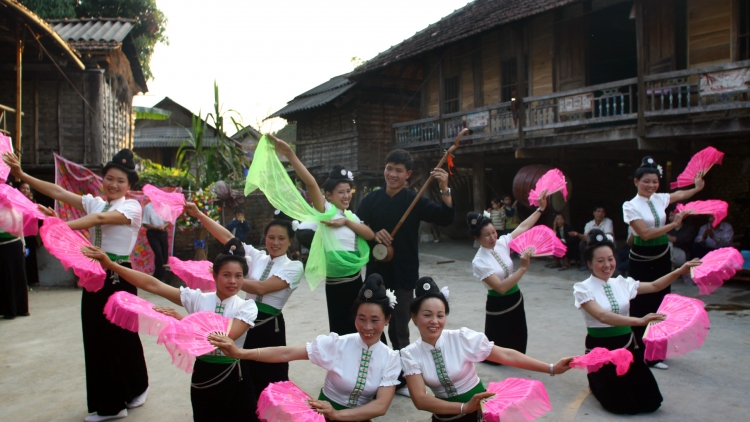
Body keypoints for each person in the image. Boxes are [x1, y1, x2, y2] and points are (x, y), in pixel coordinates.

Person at [3, 149, 149, 421]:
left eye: (120, 181)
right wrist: (22, 175)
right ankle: (123, 396)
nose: (113, 184)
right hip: (96, 275)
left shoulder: (131, 207)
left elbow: (100, 221)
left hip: (119, 275)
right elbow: (58, 192)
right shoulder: (97, 203)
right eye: (109, 178)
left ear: (129, 186)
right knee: (98, 338)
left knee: (121, 337)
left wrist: (59, 226)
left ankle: (123, 399)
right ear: (102, 179)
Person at [84, 240, 259, 422]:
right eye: (226, 275)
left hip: (234, 373)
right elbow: (154, 285)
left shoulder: (247, 307)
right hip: (204, 372)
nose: (233, 281)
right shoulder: (197, 298)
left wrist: (182, 320)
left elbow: (227, 337)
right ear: (214, 275)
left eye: (238, 276)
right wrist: (112, 265)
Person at [210, 274, 401, 422]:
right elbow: (287, 352)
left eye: (375, 320)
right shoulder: (337, 344)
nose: (367, 327)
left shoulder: (390, 358)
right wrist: (240, 353)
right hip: (321, 416)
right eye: (361, 319)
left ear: (387, 320)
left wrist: (338, 415)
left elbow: (381, 405)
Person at [400, 277, 573, 422]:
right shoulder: (410, 354)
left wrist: (552, 368)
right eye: (427, 315)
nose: (434, 321)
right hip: (444, 418)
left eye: (440, 315)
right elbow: (420, 400)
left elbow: (506, 355)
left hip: (482, 411)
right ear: (414, 317)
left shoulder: (461, 338)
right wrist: (463, 407)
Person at [573, 229, 701, 414]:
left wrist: (680, 270)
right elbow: (602, 316)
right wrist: (640, 321)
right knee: (619, 405)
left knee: (650, 402)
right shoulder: (582, 288)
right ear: (589, 263)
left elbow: (656, 285)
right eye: (600, 261)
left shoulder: (622, 283)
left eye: (610, 259)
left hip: (627, 346)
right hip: (601, 348)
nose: (607, 265)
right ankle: (596, 378)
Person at [184, 203, 303, 399]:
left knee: (269, 371)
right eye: (271, 237)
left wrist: (229, 280)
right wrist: (198, 214)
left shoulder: (294, 266)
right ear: (265, 238)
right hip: (241, 317)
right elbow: (227, 238)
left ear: (290, 241)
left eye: (281, 238)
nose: (275, 242)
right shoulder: (257, 256)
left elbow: (262, 288)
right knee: (242, 369)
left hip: (267, 325)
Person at [272, 135, 375, 336]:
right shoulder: (325, 210)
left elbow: (370, 235)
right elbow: (310, 183)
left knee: (359, 329)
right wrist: (290, 154)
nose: (346, 196)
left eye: (348, 191)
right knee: (340, 332)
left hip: (356, 280)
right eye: (340, 192)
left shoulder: (350, 216)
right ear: (328, 195)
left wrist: (346, 222)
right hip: (336, 284)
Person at [357, 149, 455, 353]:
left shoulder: (414, 199)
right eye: (389, 168)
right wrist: (373, 234)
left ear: (407, 174)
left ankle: (403, 373)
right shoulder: (370, 200)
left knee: (399, 327)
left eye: (398, 170)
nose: (392, 174)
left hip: (404, 272)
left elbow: (446, 218)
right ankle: (379, 363)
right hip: (376, 272)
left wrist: (444, 188)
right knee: (372, 323)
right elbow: (357, 230)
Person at [623, 156, 704, 369]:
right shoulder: (630, 205)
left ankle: (657, 350)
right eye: (646, 181)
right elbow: (645, 233)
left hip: (661, 256)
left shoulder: (659, 198)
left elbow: (679, 194)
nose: (651, 185)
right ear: (635, 181)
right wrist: (673, 225)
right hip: (642, 259)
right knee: (641, 304)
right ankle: (642, 351)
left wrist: (696, 188)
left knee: (662, 302)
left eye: (655, 181)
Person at [468, 190, 548, 359]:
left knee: (518, 344)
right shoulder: (479, 261)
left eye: (493, 232)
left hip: (516, 299)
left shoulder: (502, 243)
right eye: (486, 235)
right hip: (498, 304)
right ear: (477, 238)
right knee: (499, 354)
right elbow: (501, 288)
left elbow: (523, 227)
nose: (492, 237)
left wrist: (540, 209)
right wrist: (523, 268)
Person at [0, 183, 29, 319]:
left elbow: (20, 227)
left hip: (13, 244)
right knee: (7, 279)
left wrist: (23, 244)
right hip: (7, 245)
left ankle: (19, 309)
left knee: (15, 278)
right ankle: (11, 309)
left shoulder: (15, 207)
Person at [570, 205, 614, 271]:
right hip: (593, 244)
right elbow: (585, 237)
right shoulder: (589, 224)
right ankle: (584, 264)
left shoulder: (608, 221)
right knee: (582, 243)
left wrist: (593, 236)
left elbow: (608, 235)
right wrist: (577, 234)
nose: (600, 214)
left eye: (602, 212)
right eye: (598, 211)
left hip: (605, 243)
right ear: (594, 213)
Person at [141, 202, 170, 282]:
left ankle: (158, 275)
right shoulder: (148, 207)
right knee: (158, 253)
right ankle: (160, 277)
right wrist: (156, 227)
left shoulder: (166, 207)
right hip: (152, 233)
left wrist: (163, 226)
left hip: (163, 232)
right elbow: (145, 223)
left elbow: (168, 221)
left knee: (164, 255)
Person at [666, 207, 697, 271]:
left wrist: (666, 237)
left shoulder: (689, 229)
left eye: (672, 215)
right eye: (669, 216)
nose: (669, 218)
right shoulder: (669, 228)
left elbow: (681, 239)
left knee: (668, 245)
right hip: (672, 253)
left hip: (684, 254)